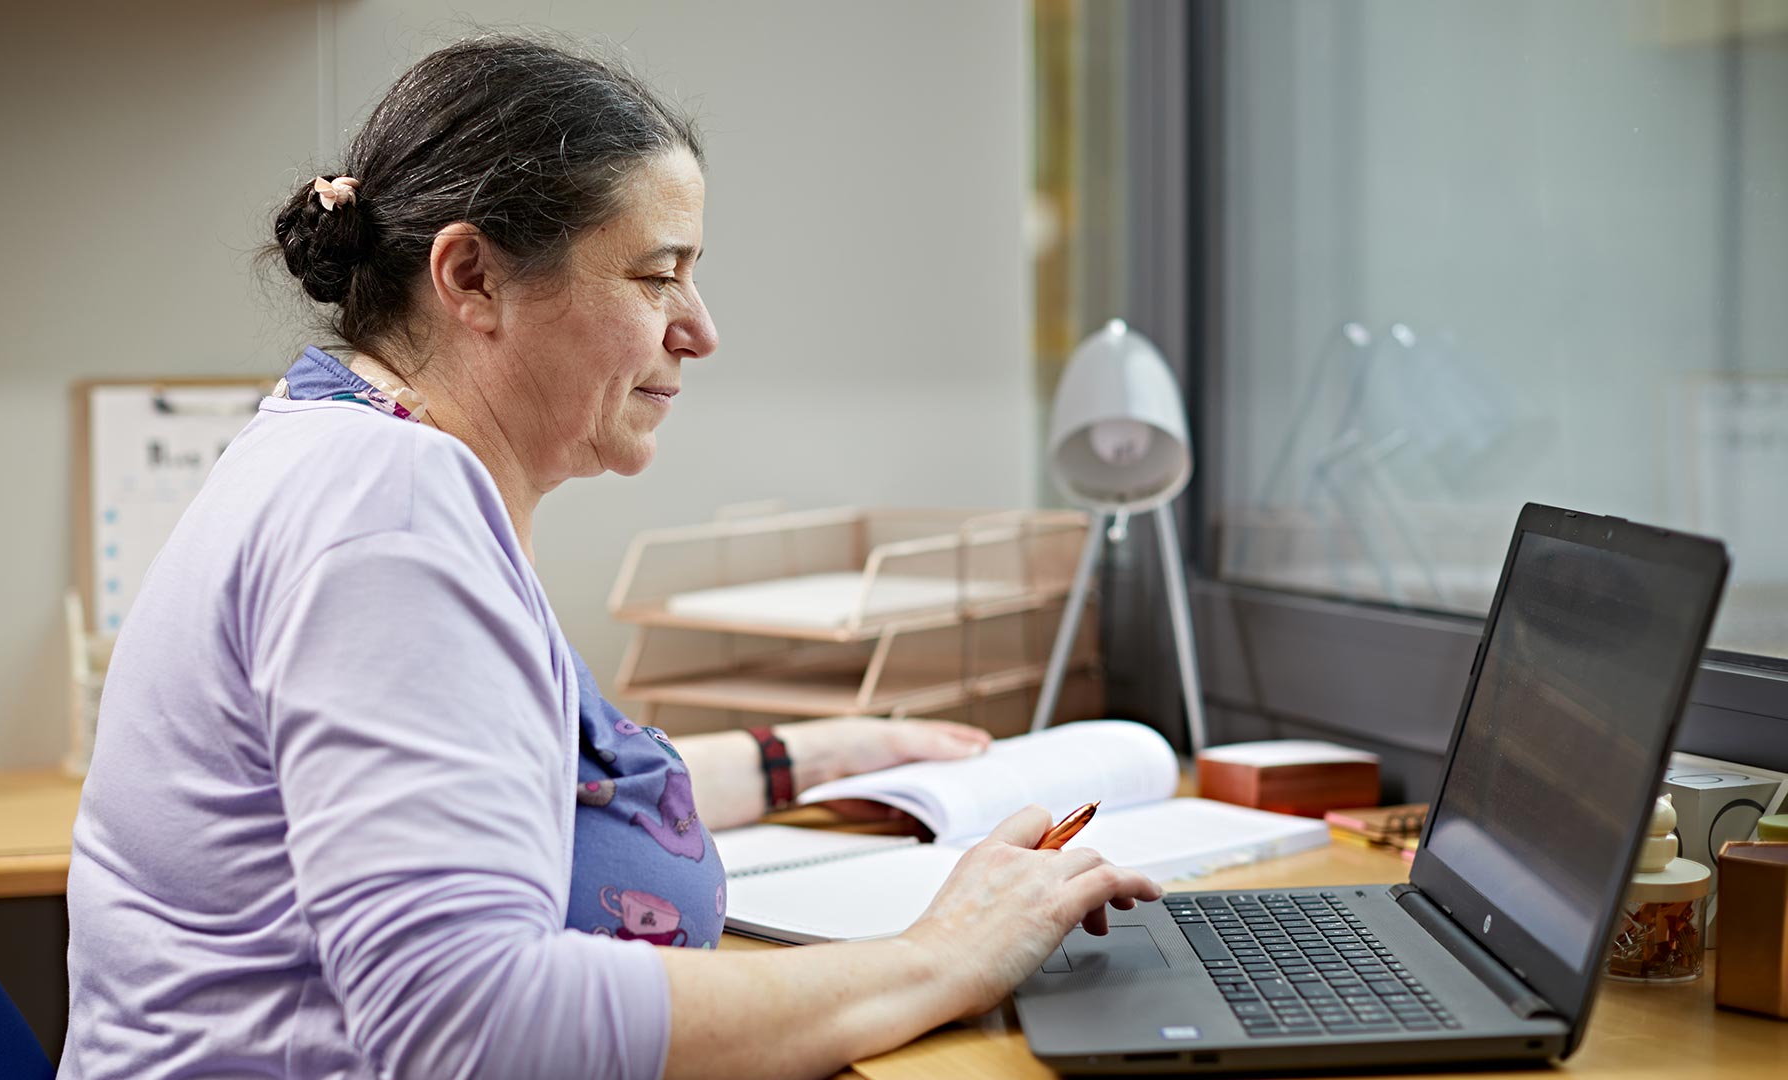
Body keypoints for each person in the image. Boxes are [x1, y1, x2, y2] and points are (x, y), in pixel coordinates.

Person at [60, 34, 1161, 1080]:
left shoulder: (340, 442)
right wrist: (940, 958)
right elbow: (467, 1024)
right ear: (473, 278)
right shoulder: (387, 503)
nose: (700, 328)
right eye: (657, 275)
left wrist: (815, 757)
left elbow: (527, 772)